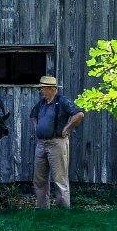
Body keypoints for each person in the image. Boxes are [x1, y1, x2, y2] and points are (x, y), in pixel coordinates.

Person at [30, 74, 84, 208]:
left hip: (57, 143)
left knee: (59, 178)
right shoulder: (42, 103)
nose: (41, 91)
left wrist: (67, 128)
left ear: (51, 89)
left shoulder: (62, 101)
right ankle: (41, 208)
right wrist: (37, 128)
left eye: (42, 88)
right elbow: (33, 115)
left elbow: (79, 114)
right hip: (41, 144)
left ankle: (63, 210)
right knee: (40, 178)